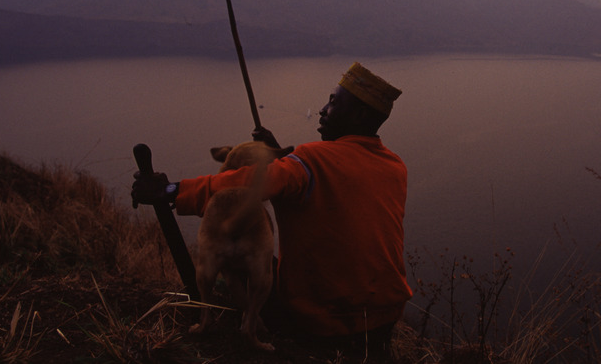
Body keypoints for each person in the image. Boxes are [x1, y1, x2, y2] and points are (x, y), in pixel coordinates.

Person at [132, 62, 411, 357]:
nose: (322, 110)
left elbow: (244, 185)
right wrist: (280, 155)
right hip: (384, 315)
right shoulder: (395, 166)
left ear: (359, 115)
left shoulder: (311, 159)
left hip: (324, 318)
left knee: (239, 263)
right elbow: (334, 194)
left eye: (332, 102)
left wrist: (172, 190)